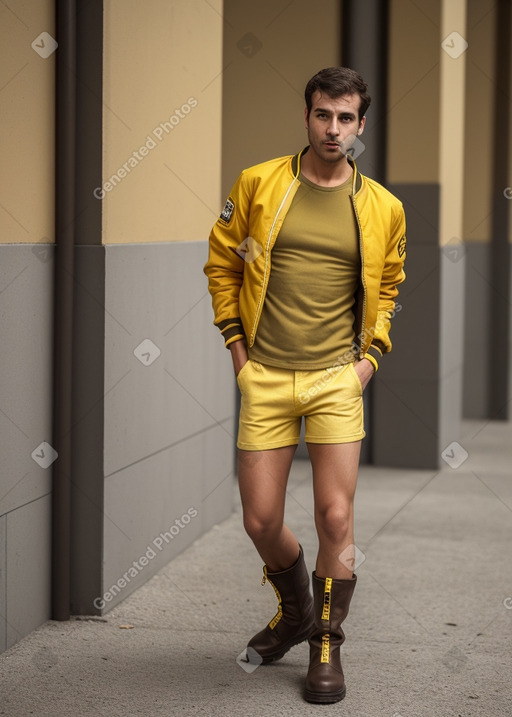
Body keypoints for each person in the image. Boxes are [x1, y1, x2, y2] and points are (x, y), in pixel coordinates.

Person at [203, 66, 406, 704]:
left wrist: (368, 361)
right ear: (308, 115)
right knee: (261, 520)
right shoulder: (260, 183)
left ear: (361, 125)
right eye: (324, 115)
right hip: (265, 373)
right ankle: (296, 614)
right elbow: (222, 262)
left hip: (335, 380)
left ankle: (326, 643)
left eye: (346, 119)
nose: (334, 129)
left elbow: (389, 289)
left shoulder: (382, 207)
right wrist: (238, 350)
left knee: (334, 515)